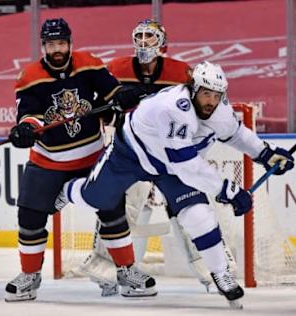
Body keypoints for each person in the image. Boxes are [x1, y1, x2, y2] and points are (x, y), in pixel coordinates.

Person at [55, 60, 295, 305]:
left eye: (216, 95)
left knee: (199, 214)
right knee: (96, 198)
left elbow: (236, 134)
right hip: (131, 155)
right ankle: (66, 191)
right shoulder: (174, 109)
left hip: (168, 167)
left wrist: (266, 154)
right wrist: (228, 190)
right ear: (193, 89)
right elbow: (187, 166)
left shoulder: (218, 108)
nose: (211, 101)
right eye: (205, 93)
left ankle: (221, 274)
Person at [5, 17, 156, 302]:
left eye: (61, 43)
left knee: (113, 212)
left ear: (70, 43)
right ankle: (30, 276)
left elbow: (112, 93)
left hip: (92, 158)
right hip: (49, 161)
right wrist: (26, 128)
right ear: (44, 47)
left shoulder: (90, 64)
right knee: (29, 216)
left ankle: (126, 271)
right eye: (51, 44)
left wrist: (124, 96)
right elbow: (29, 114)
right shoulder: (29, 76)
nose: (57, 49)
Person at [82, 19, 218, 295]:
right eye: (139, 36)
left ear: (163, 42)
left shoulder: (182, 72)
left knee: (188, 207)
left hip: (170, 156)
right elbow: (102, 108)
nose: (144, 42)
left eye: (150, 36)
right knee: (120, 206)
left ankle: (213, 270)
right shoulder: (116, 69)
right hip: (132, 153)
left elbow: (200, 110)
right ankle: (106, 268)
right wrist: (112, 106)